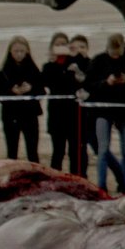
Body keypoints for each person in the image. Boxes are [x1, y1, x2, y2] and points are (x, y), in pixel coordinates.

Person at [86, 33, 125, 189]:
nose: (116, 56)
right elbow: (89, 85)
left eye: (119, 52)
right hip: (103, 111)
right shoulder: (98, 60)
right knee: (103, 150)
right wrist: (106, 82)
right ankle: (102, 186)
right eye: (113, 52)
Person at [0, 37, 46, 164]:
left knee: (32, 151)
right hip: (11, 115)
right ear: (10, 52)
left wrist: (31, 89)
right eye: (16, 51)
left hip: (30, 114)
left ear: (27, 51)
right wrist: (11, 91)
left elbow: (42, 91)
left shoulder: (33, 69)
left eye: (22, 51)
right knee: (12, 151)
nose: (19, 54)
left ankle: (34, 178)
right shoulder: (3, 71)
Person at [43, 35, 86, 177]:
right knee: (58, 150)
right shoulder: (48, 66)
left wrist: (75, 56)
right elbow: (47, 84)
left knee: (75, 150)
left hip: (73, 113)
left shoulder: (74, 62)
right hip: (56, 114)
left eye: (64, 44)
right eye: (58, 44)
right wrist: (53, 62)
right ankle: (55, 179)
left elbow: (84, 79)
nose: (61, 47)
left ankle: (77, 178)